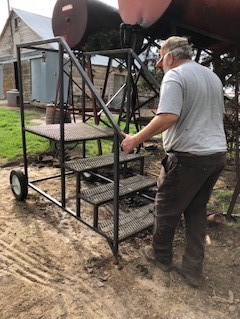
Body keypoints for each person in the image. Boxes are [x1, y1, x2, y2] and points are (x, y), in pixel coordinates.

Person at [121, 36, 227, 287]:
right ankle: (192, 270)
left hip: (189, 159)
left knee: (165, 210)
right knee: (196, 212)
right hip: (216, 156)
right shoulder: (212, 77)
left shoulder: (175, 76)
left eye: (161, 59)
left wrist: (135, 139)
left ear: (169, 57)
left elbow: (168, 116)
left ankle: (160, 257)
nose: (161, 65)